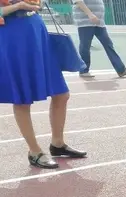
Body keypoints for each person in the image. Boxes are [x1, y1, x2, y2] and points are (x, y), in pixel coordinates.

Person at [0, 0, 87, 169]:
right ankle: (34, 151)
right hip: (13, 36)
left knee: (62, 94)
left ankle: (57, 143)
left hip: (37, 32)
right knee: (22, 98)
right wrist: (18, 6)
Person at [73, 0, 126, 78]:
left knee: (108, 44)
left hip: (99, 22)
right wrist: (90, 14)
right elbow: (78, 1)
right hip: (85, 21)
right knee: (85, 46)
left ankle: (121, 70)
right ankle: (83, 71)